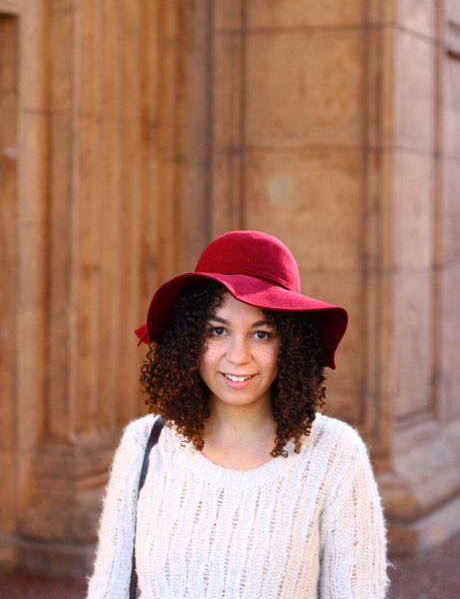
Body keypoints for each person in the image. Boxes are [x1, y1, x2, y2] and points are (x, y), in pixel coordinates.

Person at [87, 230, 388, 598]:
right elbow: (109, 589)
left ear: (290, 345)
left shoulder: (335, 454)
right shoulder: (144, 445)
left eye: (261, 334)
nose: (238, 355)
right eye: (217, 330)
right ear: (189, 339)